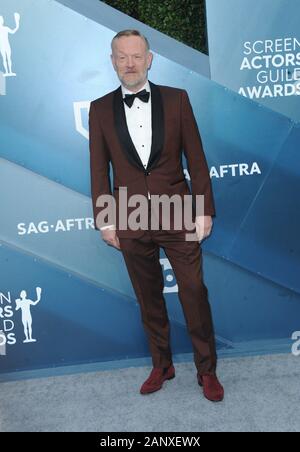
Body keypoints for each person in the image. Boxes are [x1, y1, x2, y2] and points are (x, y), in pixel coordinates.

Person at [89, 29, 224, 402]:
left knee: (194, 293)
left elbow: (196, 160)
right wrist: (106, 220)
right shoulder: (100, 109)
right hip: (130, 217)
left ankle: (206, 370)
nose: (130, 63)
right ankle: (161, 364)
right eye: (122, 56)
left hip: (179, 212)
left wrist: (204, 210)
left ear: (150, 59)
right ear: (113, 61)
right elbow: (99, 170)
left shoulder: (177, 100)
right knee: (148, 297)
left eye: (137, 56)